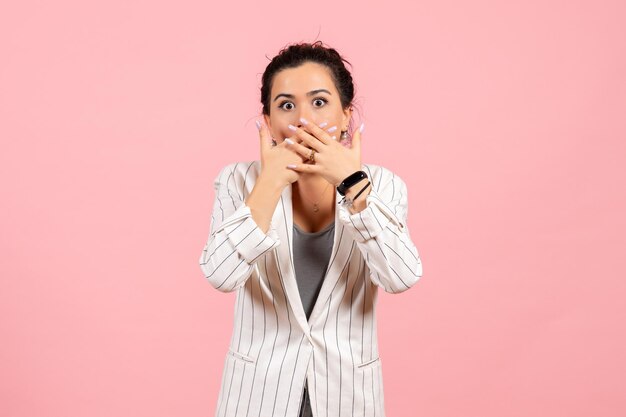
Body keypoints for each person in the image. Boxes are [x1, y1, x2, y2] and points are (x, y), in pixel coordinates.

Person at [199, 41, 423, 417]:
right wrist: (269, 183)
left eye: (319, 102)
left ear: (347, 114)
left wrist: (353, 185)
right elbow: (220, 275)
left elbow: (401, 276)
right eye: (286, 105)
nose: (303, 120)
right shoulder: (238, 181)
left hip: (347, 396)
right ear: (268, 121)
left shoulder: (383, 187)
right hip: (257, 397)